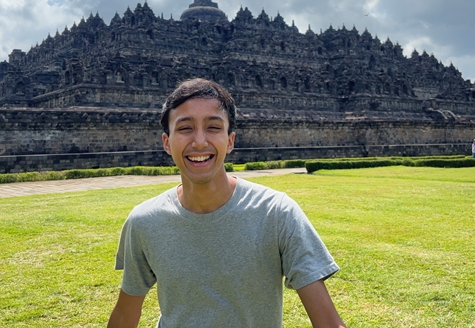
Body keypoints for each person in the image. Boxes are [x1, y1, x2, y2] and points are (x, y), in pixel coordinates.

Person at [107, 78, 346, 328]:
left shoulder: (277, 213)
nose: (200, 142)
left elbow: (329, 323)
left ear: (230, 141)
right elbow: (125, 314)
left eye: (213, 127)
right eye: (185, 128)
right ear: (167, 142)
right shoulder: (144, 221)